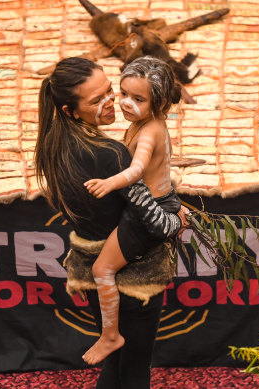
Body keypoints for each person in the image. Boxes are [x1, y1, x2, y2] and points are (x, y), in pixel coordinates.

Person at [35, 57, 188, 389]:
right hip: (133, 276)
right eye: (97, 99)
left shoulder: (53, 145)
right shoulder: (111, 155)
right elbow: (150, 219)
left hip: (94, 271)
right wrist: (175, 221)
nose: (112, 103)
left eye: (109, 90)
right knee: (134, 371)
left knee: (115, 365)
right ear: (70, 111)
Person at [82, 56, 182, 365]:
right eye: (123, 93)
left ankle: (111, 335)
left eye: (138, 99)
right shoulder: (144, 123)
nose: (125, 103)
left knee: (102, 269)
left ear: (160, 102)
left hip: (147, 212)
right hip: (156, 201)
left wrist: (110, 183)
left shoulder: (150, 131)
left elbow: (137, 170)